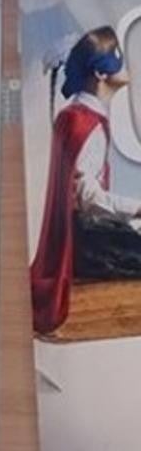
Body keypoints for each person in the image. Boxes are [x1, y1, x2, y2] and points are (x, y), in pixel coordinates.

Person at [32, 26, 141, 334]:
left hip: (81, 233)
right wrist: (136, 208)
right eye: (117, 60)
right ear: (100, 73)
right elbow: (89, 198)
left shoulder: (75, 116)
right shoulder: (85, 123)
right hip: (86, 240)